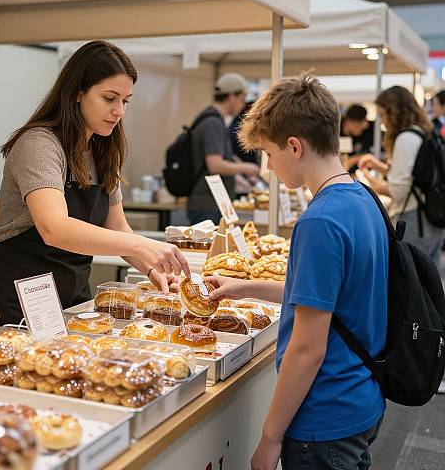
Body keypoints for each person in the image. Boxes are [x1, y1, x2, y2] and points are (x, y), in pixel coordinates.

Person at [206, 72, 388, 470]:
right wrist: (244, 287)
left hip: (324, 417)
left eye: (269, 153)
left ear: (294, 145)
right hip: (361, 397)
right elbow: (330, 297)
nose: (269, 167)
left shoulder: (319, 221)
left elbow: (308, 349)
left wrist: (270, 438)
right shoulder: (363, 199)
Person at [0, 40, 190, 326]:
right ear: (78, 92)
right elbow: (54, 228)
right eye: (109, 98)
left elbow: (116, 226)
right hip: (20, 294)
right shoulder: (39, 144)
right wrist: (141, 245)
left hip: (74, 293)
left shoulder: (103, 150)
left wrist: (153, 271)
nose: (119, 111)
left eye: (125, 100)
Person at [359, 86, 445, 266]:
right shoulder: (421, 132)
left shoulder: (405, 139)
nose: (382, 122)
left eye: (383, 115)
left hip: (415, 221)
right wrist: (379, 167)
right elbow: (413, 177)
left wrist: (367, 181)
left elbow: (398, 191)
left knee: (412, 285)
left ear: (394, 112)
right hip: (430, 218)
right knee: (429, 281)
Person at [186, 73, 260, 225]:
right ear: (232, 96)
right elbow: (215, 165)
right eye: (242, 98)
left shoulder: (214, 119)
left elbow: (222, 158)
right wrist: (246, 168)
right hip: (207, 203)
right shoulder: (213, 122)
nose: (242, 104)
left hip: (212, 203)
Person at [340, 104, 375, 171]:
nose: (365, 126)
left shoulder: (369, 131)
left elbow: (373, 153)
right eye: (359, 123)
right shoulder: (335, 131)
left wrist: (355, 159)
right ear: (349, 121)